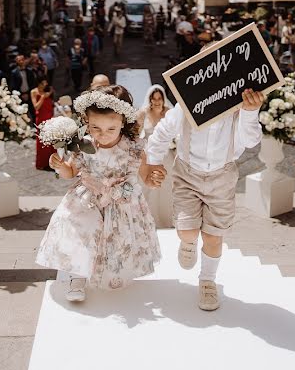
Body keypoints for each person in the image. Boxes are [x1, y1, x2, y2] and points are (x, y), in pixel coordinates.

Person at [146, 73, 264, 312]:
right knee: (188, 231)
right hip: (188, 172)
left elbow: (251, 141)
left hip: (222, 176)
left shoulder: (238, 105)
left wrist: (251, 111)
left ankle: (207, 281)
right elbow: (162, 132)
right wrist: (155, 162)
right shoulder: (185, 103)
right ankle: (187, 243)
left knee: (213, 236)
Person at [37, 85, 163, 302]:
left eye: (110, 129)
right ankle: (77, 278)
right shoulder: (82, 146)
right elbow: (71, 171)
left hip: (121, 203)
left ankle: (111, 276)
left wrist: (153, 179)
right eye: (96, 128)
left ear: (122, 122)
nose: (102, 135)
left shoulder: (133, 148)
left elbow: (144, 177)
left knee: (114, 243)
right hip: (87, 199)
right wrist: (60, 167)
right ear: (86, 121)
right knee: (80, 235)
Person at [32, 79, 56, 170]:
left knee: (52, 140)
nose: (44, 85)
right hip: (41, 119)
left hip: (50, 117)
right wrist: (43, 97)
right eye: (43, 83)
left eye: (46, 83)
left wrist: (50, 93)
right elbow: (36, 107)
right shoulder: (34, 92)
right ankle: (42, 163)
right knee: (42, 140)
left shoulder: (49, 90)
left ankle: (53, 162)